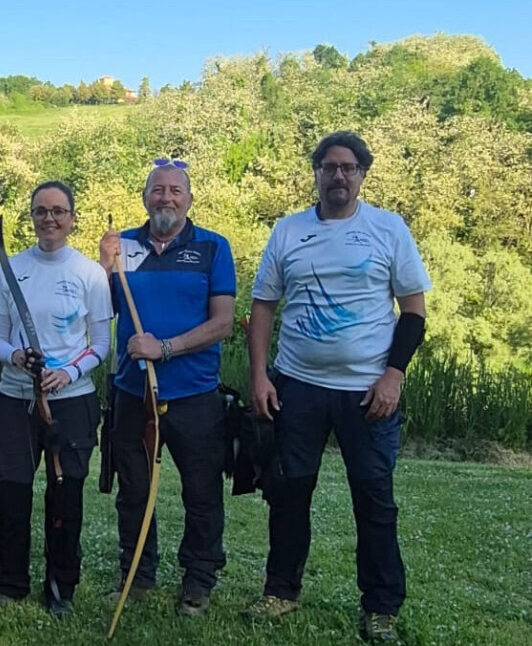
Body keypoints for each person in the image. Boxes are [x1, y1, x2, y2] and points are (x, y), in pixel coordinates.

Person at [246, 132, 431, 643]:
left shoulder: (388, 229)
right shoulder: (288, 232)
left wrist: (394, 375)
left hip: (367, 390)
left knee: (373, 498)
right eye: (329, 167)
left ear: (362, 174)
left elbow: (413, 313)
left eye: (349, 167)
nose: (339, 176)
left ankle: (381, 607)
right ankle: (281, 591)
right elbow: (263, 306)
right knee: (288, 493)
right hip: (297, 386)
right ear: (317, 173)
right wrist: (259, 375)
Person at [99, 159, 236, 617]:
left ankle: (198, 580)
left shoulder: (213, 248)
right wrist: (103, 268)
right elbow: (100, 312)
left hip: (194, 394)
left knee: (201, 491)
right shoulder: (124, 248)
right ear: (145, 198)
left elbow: (223, 324)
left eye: (176, 191)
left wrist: (167, 348)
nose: (166, 198)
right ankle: (136, 576)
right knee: (134, 489)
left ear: (189, 199)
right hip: (131, 392)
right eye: (158, 190)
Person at [0, 180, 113, 619]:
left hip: (71, 403)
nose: (49, 218)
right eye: (41, 211)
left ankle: (61, 589)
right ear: (31, 217)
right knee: (12, 494)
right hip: (16, 400)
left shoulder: (89, 273)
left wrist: (68, 371)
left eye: (58, 211)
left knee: (64, 495)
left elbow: (100, 343)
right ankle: (10, 584)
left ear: (72, 217)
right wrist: (16, 356)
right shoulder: (11, 269)